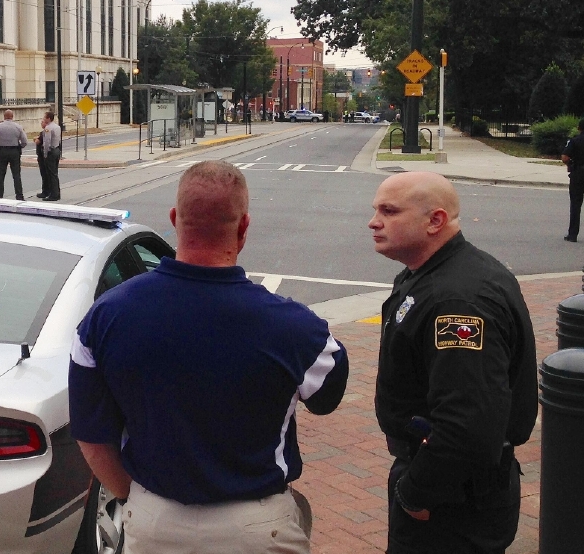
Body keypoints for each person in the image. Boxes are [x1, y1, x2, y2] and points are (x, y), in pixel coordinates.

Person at [69, 160, 349, 554]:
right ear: (244, 227)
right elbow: (326, 398)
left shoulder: (105, 318)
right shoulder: (297, 328)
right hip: (258, 528)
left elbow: (92, 437)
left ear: (174, 219)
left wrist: (136, 498)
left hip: (154, 521)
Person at [367, 172, 537, 554]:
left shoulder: (457, 301)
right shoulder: (433, 275)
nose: (374, 221)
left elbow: (468, 422)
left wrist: (417, 493)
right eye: (376, 209)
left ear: (436, 221)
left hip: (454, 502)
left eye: (389, 211)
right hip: (450, 487)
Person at [0, 109, 28, 200]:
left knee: (0, 174)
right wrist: (19, 147)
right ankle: (19, 195)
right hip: (14, 152)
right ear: (12, 117)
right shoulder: (18, 127)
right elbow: (25, 141)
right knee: (16, 175)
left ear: (4, 117)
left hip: (3, 152)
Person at [561, 118, 584, 242]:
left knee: (576, 204)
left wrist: (571, 164)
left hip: (578, 173)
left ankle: (573, 234)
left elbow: (564, 157)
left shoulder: (574, 141)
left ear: (579, 128)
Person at [40, 111, 62, 201]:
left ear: (49, 118)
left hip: (51, 152)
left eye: (45, 117)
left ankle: (54, 194)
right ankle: (57, 192)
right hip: (56, 149)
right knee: (55, 173)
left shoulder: (48, 128)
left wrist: (45, 153)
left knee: (51, 173)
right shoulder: (57, 127)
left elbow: (47, 142)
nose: (44, 119)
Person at [34, 116, 49, 199]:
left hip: (43, 155)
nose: (41, 123)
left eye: (42, 122)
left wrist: (35, 139)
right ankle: (47, 190)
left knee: (44, 174)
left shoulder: (44, 132)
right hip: (44, 155)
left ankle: (45, 191)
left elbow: (37, 141)